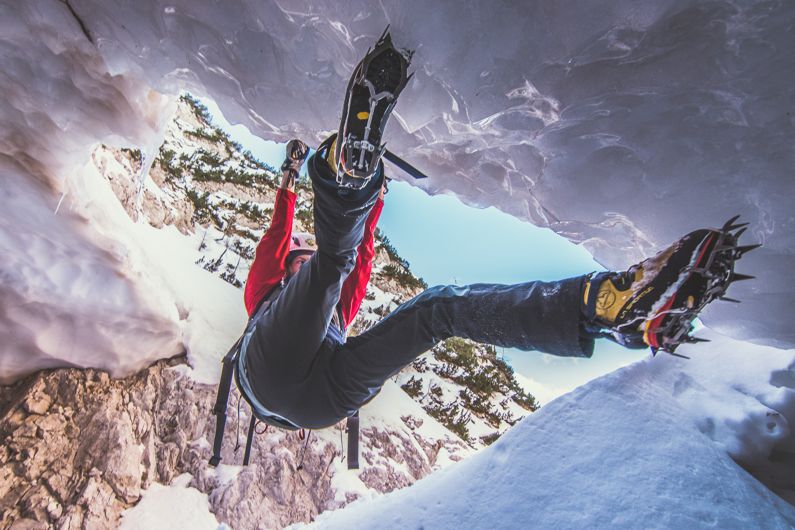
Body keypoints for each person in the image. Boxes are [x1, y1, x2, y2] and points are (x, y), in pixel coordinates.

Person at [228, 31, 752, 437]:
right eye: (296, 255)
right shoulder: (268, 294)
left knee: (438, 309)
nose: (295, 253)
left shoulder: (328, 298)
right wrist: (297, 183)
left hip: (317, 400)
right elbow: (289, 237)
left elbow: (359, 252)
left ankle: (607, 307)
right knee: (332, 263)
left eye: (299, 251)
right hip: (270, 375)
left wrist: (367, 196)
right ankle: (348, 173)